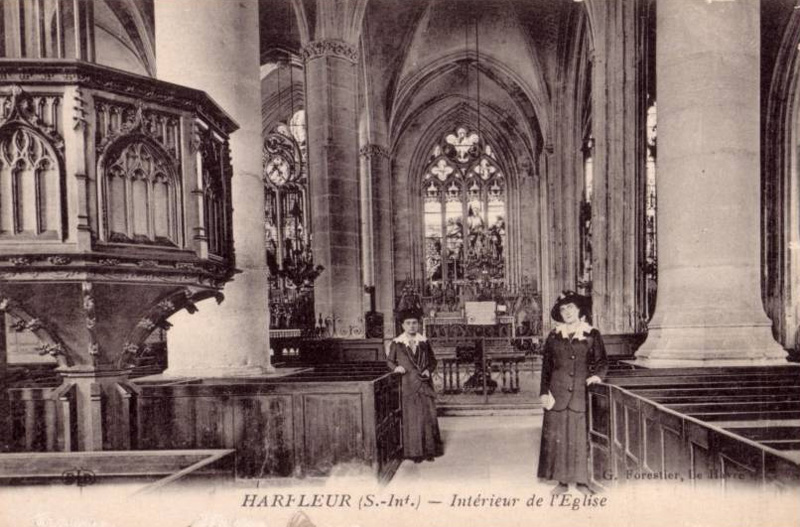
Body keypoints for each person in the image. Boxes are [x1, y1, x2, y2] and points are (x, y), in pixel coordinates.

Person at [537, 291, 608, 495]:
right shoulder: (553, 336)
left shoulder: (591, 334)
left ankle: (582, 482)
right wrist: (543, 392)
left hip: (580, 394)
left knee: (579, 437)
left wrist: (598, 377)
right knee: (558, 437)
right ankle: (561, 481)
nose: (566, 312)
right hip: (556, 393)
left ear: (579, 310)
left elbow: (602, 361)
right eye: (562, 309)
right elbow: (546, 367)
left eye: (570, 308)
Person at [387, 310, 443, 462]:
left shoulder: (424, 342)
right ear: (403, 326)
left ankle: (430, 451)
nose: (412, 326)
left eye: (414, 323)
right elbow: (390, 361)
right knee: (412, 418)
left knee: (427, 416)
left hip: (424, 384)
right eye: (408, 323)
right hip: (407, 384)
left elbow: (433, 361)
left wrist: (428, 370)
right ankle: (415, 453)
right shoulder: (397, 343)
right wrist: (395, 368)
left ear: (418, 325)